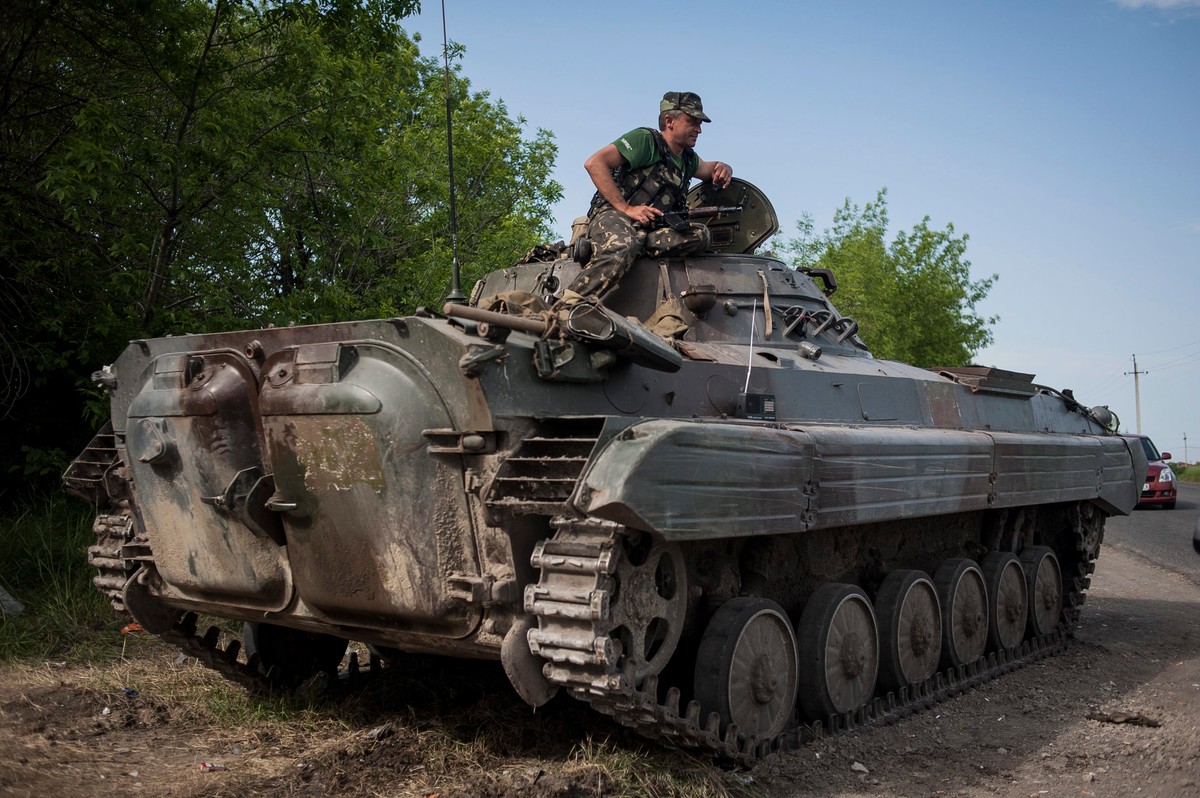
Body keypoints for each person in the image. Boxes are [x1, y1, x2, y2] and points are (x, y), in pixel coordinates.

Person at [564, 91, 733, 304]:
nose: (698, 129)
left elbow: (710, 169)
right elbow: (594, 163)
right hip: (614, 214)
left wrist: (724, 167)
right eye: (692, 121)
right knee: (622, 246)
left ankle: (638, 243)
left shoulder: (688, 159)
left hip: (648, 227)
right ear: (670, 121)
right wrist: (626, 208)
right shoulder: (646, 140)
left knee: (700, 235)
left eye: (700, 123)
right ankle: (567, 304)